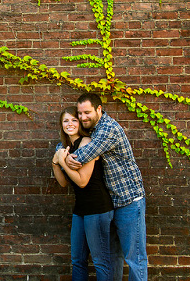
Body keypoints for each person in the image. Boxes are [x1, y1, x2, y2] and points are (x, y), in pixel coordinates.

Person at [65, 93, 147, 281]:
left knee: (134, 257)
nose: (83, 117)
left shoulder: (107, 128)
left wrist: (62, 157)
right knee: (113, 256)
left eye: (87, 112)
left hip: (129, 201)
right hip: (110, 203)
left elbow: (83, 155)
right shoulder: (92, 129)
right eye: (80, 113)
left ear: (99, 109)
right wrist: (61, 151)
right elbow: (73, 142)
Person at [52, 106, 115, 281]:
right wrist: (55, 162)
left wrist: (61, 160)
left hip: (98, 208)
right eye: (66, 121)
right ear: (61, 125)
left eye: (74, 120)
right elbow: (64, 183)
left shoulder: (87, 142)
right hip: (80, 210)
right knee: (77, 260)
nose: (70, 124)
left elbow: (82, 181)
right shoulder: (64, 147)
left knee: (100, 261)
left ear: (80, 123)